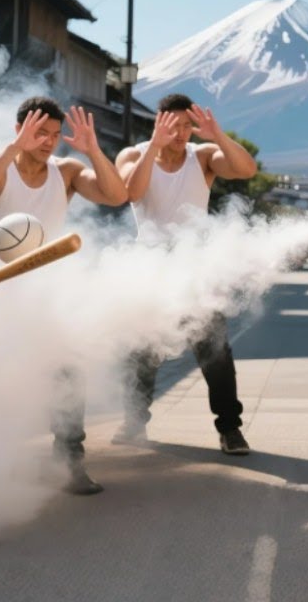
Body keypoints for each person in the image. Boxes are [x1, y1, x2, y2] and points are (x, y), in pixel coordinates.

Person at [0, 96, 127, 495]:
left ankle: (69, 462)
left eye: (54, 134)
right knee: (3, 384)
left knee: (69, 375)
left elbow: (117, 195)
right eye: (40, 133)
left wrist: (93, 150)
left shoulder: (66, 171)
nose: (49, 141)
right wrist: (13, 148)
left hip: (50, 297)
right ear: (20, 129)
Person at [113, 94, 257, 455]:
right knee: (141, 350)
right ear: (158, 123)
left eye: (187, 126)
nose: (181, 133)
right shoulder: (133, 155)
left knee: (215, 351)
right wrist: (153, 147)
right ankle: (133, 422)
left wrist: (217, 135)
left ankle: (230, 428)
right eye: (173, 125)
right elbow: (131, 192)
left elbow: (246, 170)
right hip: (150, 268)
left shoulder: (203, 156)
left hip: (196, 267)